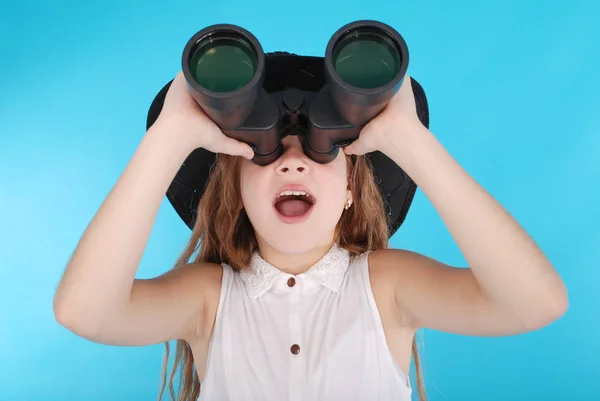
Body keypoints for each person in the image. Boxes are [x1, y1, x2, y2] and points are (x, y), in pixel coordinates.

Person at [53, 71, 568, 401]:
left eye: (320, 150)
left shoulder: (385, 287)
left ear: (350, 190)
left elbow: (534, 303)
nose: (293, 160)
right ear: (236, 191)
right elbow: (85, 311)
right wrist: (168, 138)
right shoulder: (208, 298)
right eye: (265, 152)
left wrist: (410, 142)